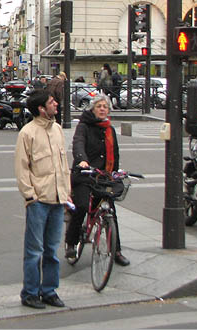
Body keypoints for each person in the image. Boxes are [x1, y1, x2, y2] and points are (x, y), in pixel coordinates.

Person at [14, 89, 71, 310]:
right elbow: (22, 167)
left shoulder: (57, 130)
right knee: (34, 250)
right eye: (51, 102)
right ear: (41, 108)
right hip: (39, 200)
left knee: (52, 250)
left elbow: (63, 165)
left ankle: (49, 290)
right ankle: (29, 292)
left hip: (57, 198)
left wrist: (66, 192)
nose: (55, 104)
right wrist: (30, 195)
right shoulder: (27, 133)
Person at [65, 95, 130, 267]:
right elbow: (78, 143)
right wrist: (82, 160)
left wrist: (115, 172)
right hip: (85, 174)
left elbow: (114, 153)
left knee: (111, 212)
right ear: (93, 109)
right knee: (82, 206)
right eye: (99, 106)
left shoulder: (110, 130)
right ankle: (71, 243)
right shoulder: (84, 126)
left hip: (103, 176)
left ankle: (116, 251)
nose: (102, 109)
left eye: (105, 107)